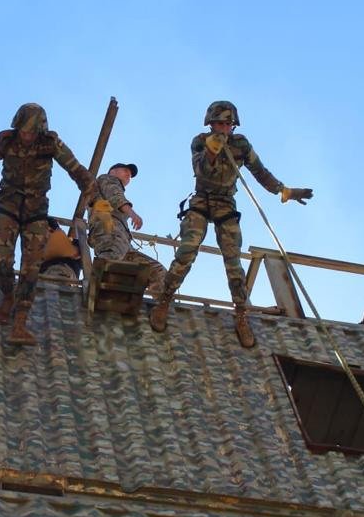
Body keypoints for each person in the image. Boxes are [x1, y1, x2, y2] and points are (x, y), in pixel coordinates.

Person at [149, 101, 313, 347]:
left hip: (225, 204)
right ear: (211, 123)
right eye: (220, 123)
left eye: (228, 124)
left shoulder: (241, 144)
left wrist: (283, 190)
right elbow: (201, 171)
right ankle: (164, 300)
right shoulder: (199, 141)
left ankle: (241, 314)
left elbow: (260, 171)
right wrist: (212, 150)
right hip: (202, 200)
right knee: (187, 249)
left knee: (233, 260)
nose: (224, 128)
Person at [0, 103, 98, 345]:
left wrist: (96, 200)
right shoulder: (5, 142)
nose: (27, 136)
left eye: (31, 132)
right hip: (8, 206)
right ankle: (8, 294)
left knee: (32, 267)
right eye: (24, 131)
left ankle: (20, 321)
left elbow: (78, 171)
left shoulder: (51, 144)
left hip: (36, 211)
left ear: (40, 130)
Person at [88, 162, 166, 293]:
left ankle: (162, 302)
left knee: (157, 271)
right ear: (113, 171)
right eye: (125, 171)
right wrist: (132, 214)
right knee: (109, 262)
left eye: (130, 175)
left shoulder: (112, 184)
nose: (128, 176)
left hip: (123, 242)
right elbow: (115, 197)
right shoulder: (107, 179)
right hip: (110, 232)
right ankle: (94, 292)